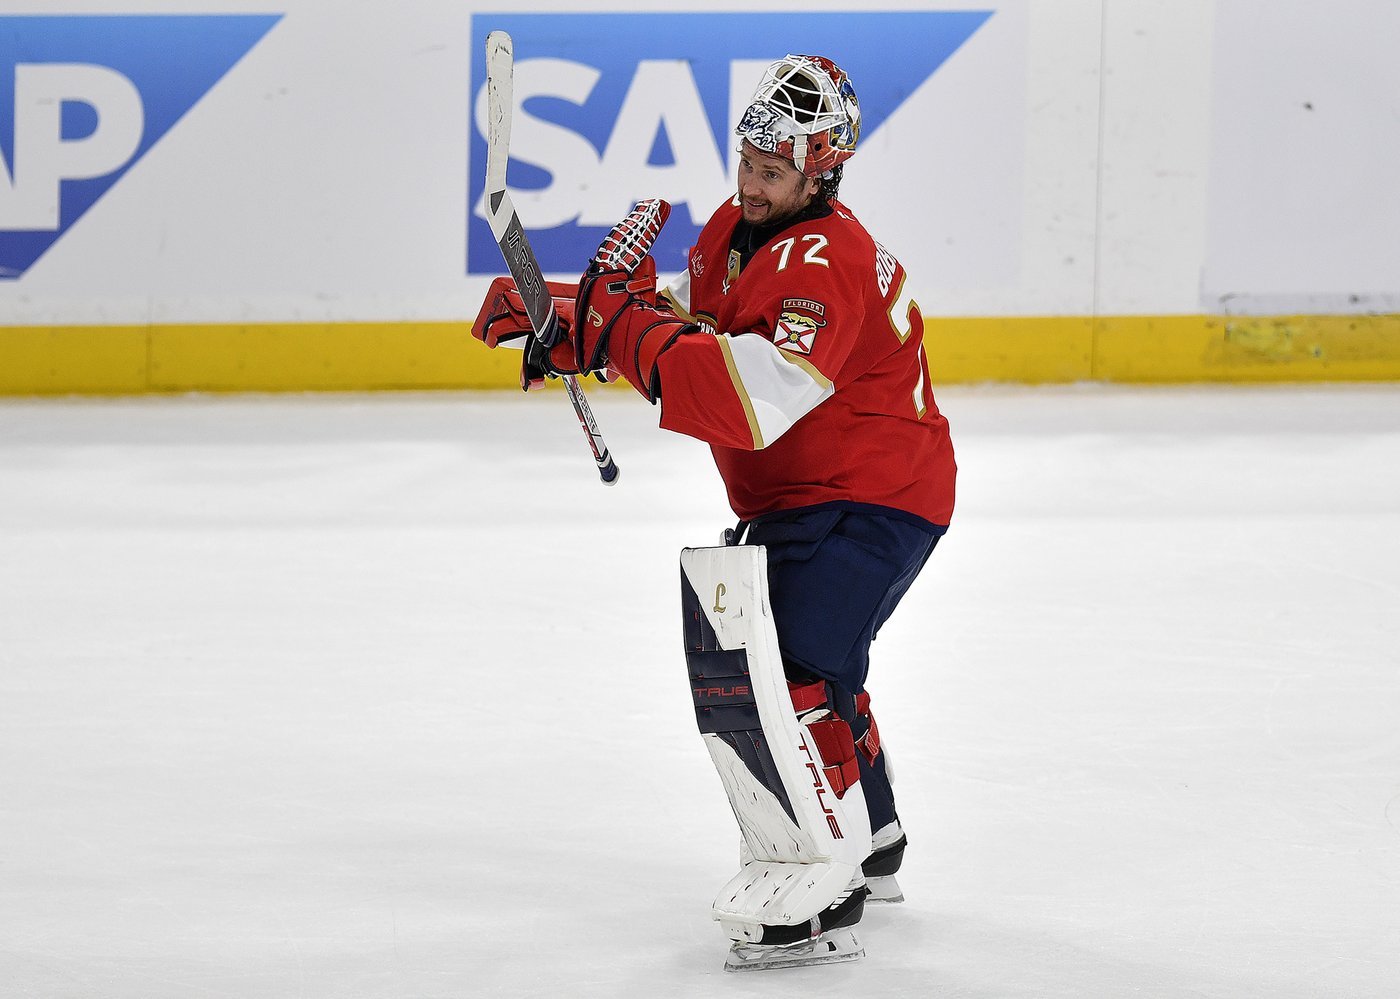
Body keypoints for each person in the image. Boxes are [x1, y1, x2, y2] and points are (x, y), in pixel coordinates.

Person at [474, 53, 955, 971]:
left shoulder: (829, 261)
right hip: (808, 496)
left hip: (875, 496)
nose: (751, 184)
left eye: (773, 171)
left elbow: (749, 397)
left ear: (822, 172)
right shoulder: (738, 229)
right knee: (810, 660)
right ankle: (874, 833)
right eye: (746, 162)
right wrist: (572, 320)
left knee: (790, 667)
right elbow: (688, 323)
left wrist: (621, 329)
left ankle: (825, 877)